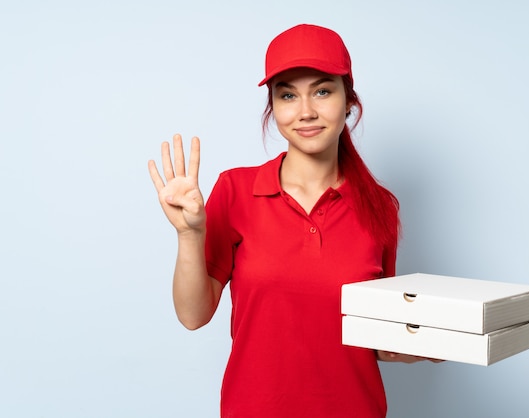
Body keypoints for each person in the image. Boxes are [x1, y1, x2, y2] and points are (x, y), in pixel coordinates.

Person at [148, 23, 440, 418]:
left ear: (349, 100)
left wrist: (433, 342)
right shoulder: (235, 191)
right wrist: (188, 234)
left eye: (322, 90)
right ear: (274, 107)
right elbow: (193, 316)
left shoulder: (380, 206)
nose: (306, 112)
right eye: (288, 95)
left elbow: (375, 338)